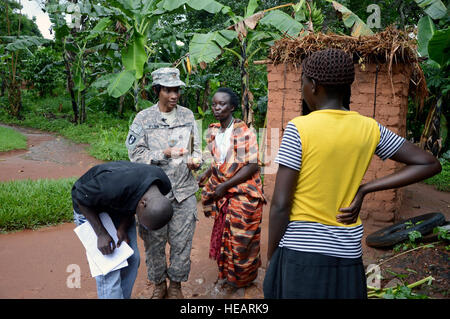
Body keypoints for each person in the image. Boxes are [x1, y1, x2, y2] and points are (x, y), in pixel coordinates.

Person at [263, 48, 442, 299]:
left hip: (301, 254)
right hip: (347, 253)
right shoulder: (370, 128)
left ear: (314, 85)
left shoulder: (299, 128)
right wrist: (366, 188)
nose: (302, 88)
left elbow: (281, 204)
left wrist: (272, 256)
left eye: (302, 81)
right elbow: (429, 164)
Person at [125, 67, 202, 299]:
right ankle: (159, 285)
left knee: (182, 243)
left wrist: (195, 161)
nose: (174, 95)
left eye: (176, 89)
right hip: (154, 194)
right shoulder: (143, 119)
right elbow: (135, 153)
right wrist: (164, 153)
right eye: (168, 90)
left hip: (184, 192)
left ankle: (176, 286)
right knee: (154, 243)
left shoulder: (187, 116)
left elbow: (195, 149)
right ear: (157, 90)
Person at [72, 160, 173, 299]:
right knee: (109, 269)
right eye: (142, 223)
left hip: (117, 205)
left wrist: (123, 226)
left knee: (132, 260)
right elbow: (80, 196)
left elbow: (132, 199)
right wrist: (101, 234)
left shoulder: (162, 183)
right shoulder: (111, 185)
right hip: (90, 207)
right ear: (143, 204)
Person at [198, 87, 266, 291]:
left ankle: (239, 280)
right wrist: (207, 174)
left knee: (240, 240)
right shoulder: (214, 131)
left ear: (232, 107)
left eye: (222, 104)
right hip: (225, 193)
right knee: (224, 238)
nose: (217, 108)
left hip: (244, 195)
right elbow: (220, 161)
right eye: (214, 104)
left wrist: (225, 185)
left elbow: (253, 164)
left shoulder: (242, 131)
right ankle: (226, 276)